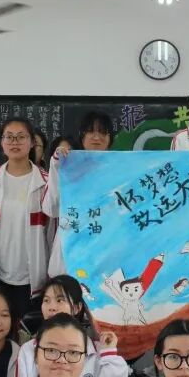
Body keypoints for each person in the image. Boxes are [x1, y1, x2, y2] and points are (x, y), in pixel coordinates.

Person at [0, 117, 50, 322]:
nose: (15, 142)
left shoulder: (46, 182)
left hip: (33, 280)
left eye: (21, 137)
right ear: (2, 143)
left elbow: (51, 235)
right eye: (9, 137)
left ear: (32, 142)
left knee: (27, 335)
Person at [13, 276, 129, 377]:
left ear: (77, 307)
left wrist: (109, 354)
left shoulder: (99, 351)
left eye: (60, 300)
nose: (51, 307)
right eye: (46, 300)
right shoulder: (29, 349)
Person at [43, 112, 113, 277]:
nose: (96, 137)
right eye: (91, 131)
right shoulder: (68, 166)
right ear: (82, 136)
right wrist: (57, 167)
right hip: (70, 258)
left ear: (110, 138)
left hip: (105, 259)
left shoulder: (122, 169)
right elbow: (51, 209)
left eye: (103, 132)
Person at [16, 314, 116, 377]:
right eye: (51, 350)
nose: (61, 360)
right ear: (36, 356)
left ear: (84, 359)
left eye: (73, 352)